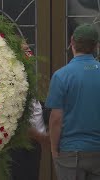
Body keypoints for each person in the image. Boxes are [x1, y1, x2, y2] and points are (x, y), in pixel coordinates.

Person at [46, 24, 100, 180]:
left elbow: (56, 118)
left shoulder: (61, 76)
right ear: (96, 45)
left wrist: (54, 149)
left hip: (70, 152)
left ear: (72, 42)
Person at [9, 42, 50, 180]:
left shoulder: (28, 77)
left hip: (33, 144)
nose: (30, 54)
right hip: (21, 145)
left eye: (29, 49)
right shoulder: (13, 79)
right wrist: (41, 137)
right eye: (25, 50)